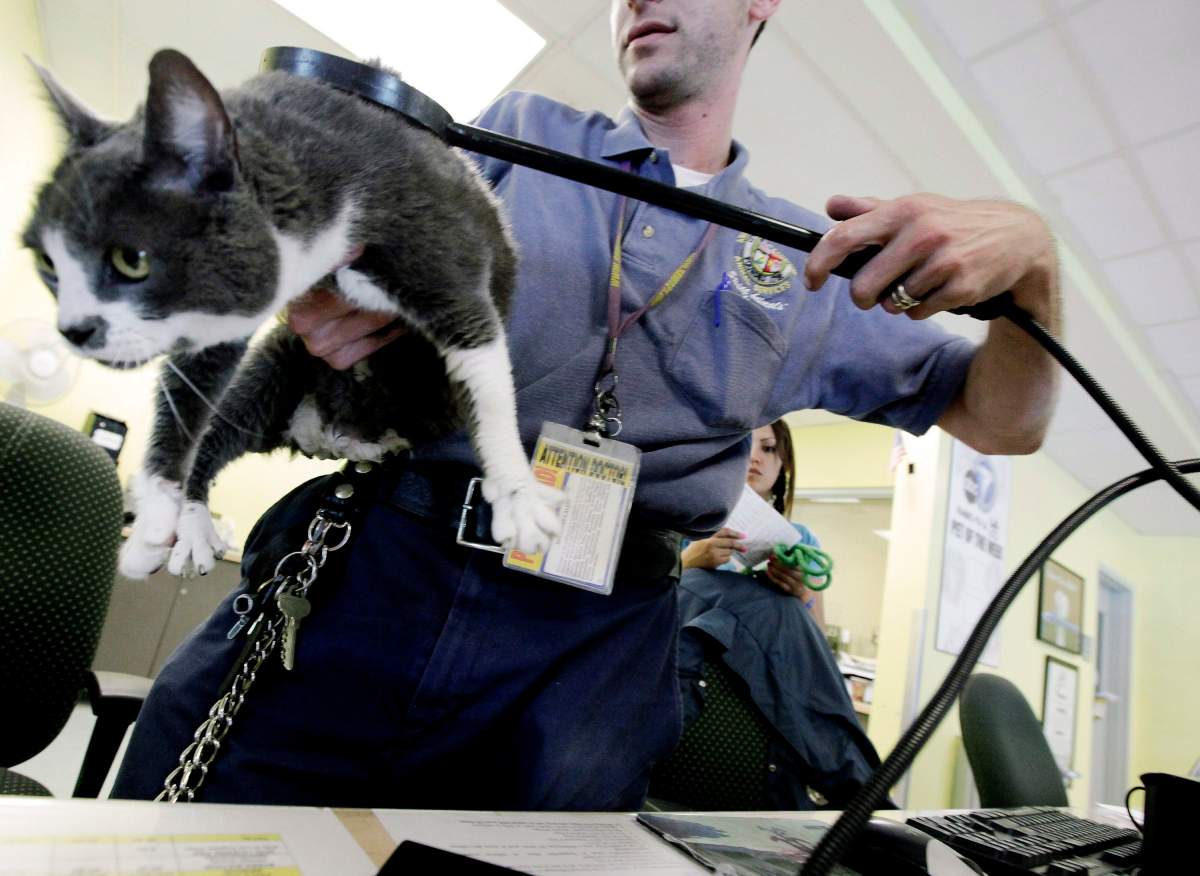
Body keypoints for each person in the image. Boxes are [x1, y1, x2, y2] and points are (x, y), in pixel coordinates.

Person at [112, 0, 1061, 810]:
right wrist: (312, 287)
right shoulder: (515, 134)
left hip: (589, 656)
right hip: (378, 572)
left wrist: (1034, 269)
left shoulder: (808, 255)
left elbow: (1002, 421)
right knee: (178, 819)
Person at [682, 419, 826, 625]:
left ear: (784, 464)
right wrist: (688, 562)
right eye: (745, 445)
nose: (754, 457)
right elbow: (650, 608)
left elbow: (817, 636)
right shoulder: (692, 524)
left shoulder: (802, 542)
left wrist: (802, 593)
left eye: (768, 448)